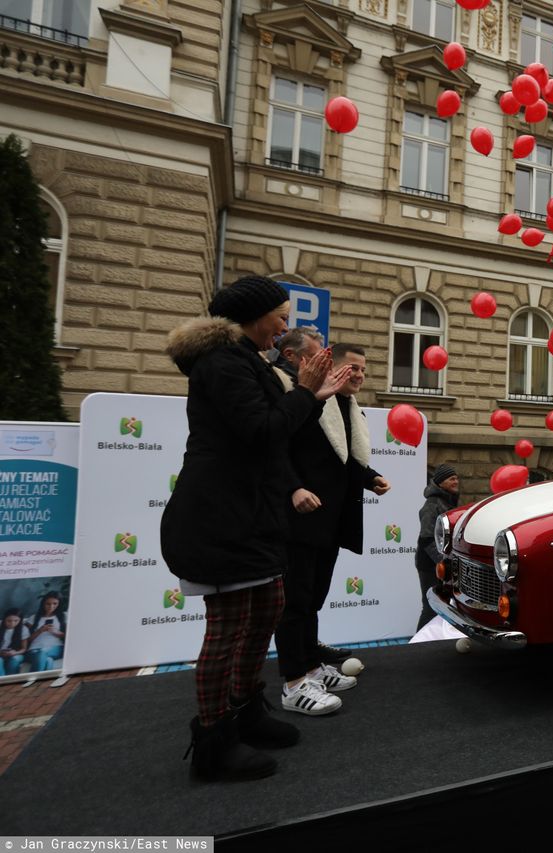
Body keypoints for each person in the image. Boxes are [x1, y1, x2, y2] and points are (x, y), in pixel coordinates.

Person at [161, 274, 350, 782]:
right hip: (219, 517)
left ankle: (246, 711)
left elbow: (280, 437)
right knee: (228, 630)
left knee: (266, 611)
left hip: (254, 514)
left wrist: (314, 397)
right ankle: (214, 739)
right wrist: (305, 393)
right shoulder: (221, 364)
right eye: (281, 317)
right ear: (254, 315)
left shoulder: (251, 362)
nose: (286, 326)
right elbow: (262, 430)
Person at [274, 342, 390, 716]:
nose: (358, 375)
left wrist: (370, 478)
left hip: (331, 522)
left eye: (362, 370)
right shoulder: (305, 401)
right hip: (299, 522)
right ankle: (294, 682)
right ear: (329, 367)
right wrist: (294, 488)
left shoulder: (348, 408)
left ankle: (311, 667)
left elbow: (342, 462)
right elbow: (278, 451)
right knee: (295, 602)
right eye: (351, 368)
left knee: (313, 599)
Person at [416, 464, 460, 630]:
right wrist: (444, 562)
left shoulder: (449, 500)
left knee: (444, 606)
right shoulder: (432, 504)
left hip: (442, 564)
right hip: (430, 565)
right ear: (441, 483)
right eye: (452, 479)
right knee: (430, 607)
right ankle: (418, 644)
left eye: (457, 478)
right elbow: (426, 539)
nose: (456, 481)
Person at [23, 591, 65, 672]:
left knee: (42, 652)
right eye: (48, 604)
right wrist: (40, 630)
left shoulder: (62, 616)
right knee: (48, 660)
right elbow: (27, 640)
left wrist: (56, 632)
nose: (51, 606)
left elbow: (70, 636)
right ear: (43, 604)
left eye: (55, 603)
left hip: (56, 647)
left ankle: (31, 680)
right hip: (33, 650)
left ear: (59, 604)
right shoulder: (34, 618)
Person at [1, 608, 30, 675]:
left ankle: (11, 681)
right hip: (2, 654)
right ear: (4, 619)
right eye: (9, 621)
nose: (12, 623)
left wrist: (15, 653)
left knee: (14, 659)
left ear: (20, 620)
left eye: (16, 621)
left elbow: (24, 649)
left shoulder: (23, 629)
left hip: (16, 654)